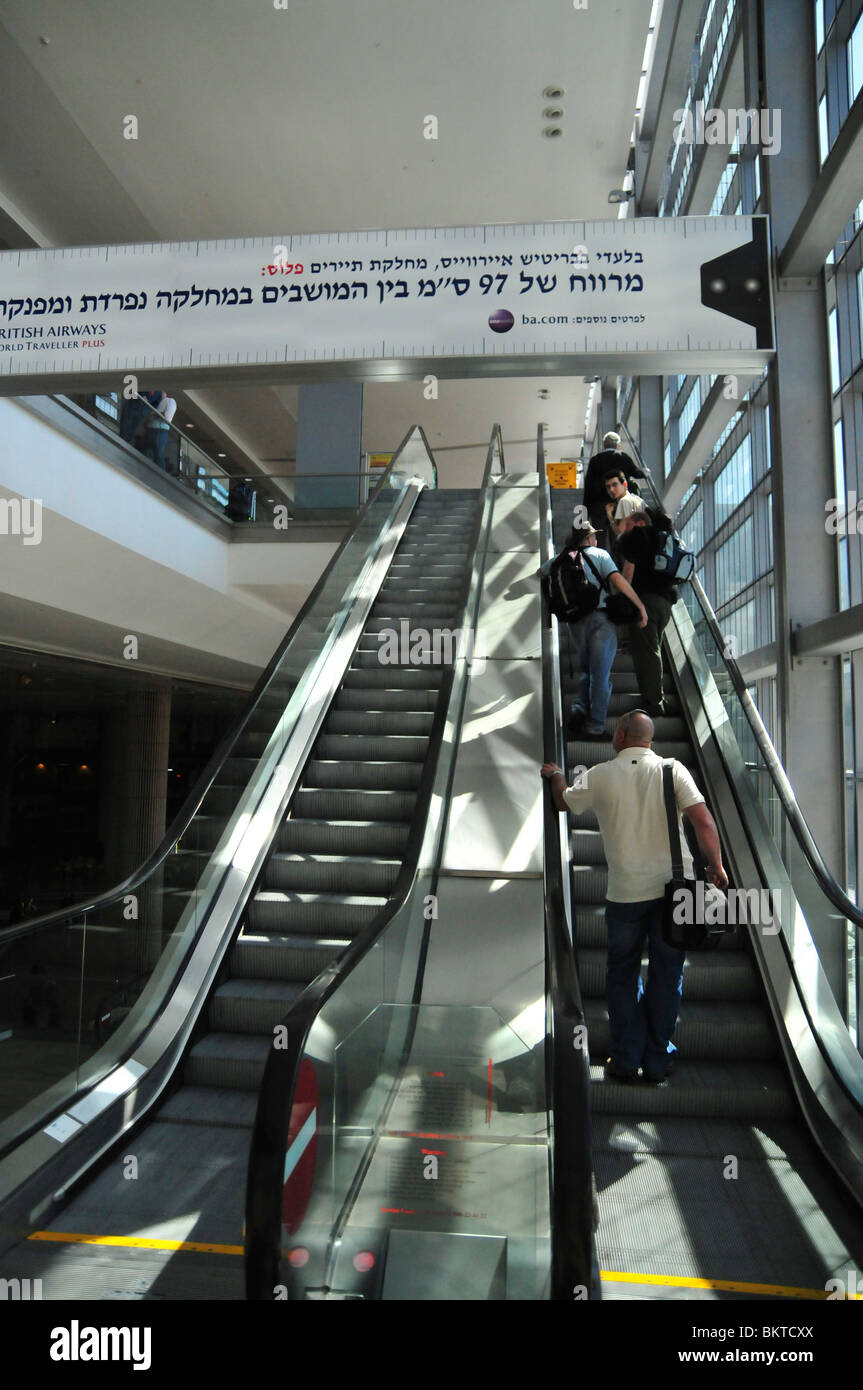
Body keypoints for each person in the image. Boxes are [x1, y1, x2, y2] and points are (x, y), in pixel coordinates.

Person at [541, 710, 728, 1082]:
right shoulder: (673, 770)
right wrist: (716, 866)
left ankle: (626, 1059)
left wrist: (555, 774)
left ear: (621, 735)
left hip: (625, 894)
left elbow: (563, 801)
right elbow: (703, 820)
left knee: (622, 974)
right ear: (649, 739)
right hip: (675, 894)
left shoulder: (601, 775)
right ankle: (658, 1059)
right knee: (667, 974)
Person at [542, 523, 648, 738]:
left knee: (587, 671)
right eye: (594, 536)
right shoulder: (600, 554)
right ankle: (595, 726)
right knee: (600, 675)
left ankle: (579, 709)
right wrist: (640, 606)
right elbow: (618, 581)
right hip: (600, 620)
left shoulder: (561, 558)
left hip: (575, 622)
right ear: (589, 538)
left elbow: (540, 573)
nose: (596, 540)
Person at [617, 508, 679, 717]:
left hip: (646, 603)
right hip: (666, 604)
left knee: (648, 653)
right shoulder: (671, 543)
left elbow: (627, 558)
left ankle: (654, 702)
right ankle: (651, 697)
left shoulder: (643, 535)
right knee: (652, 650)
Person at [582, 431, 644, 541]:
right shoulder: (624, 457)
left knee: (600, 539)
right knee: (619, 538)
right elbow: (636, 473)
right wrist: (645, 472)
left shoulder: (595, 460)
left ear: (604, 444)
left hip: (598, 506)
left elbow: (589, 488)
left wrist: (585, 512)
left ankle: (601, 557)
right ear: (618, 445)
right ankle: (618, 557)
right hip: (620, 505)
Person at [603, 467, 647, 551]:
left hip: (629, 549)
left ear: (624, 484)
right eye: (608, 487)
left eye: (615, 485)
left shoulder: (624, 501)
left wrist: (609, 515)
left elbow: (620, 531)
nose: (611, 489)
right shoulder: (637, 499)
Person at [144, 389, 177, 470]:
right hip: (151, 428)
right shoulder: (156, 402)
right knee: (148, 452)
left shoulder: (170, 401)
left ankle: (160, 473)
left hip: (160, 429)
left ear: (164, 392)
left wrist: (156, 414)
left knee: (158, 453)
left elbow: (167, 417)